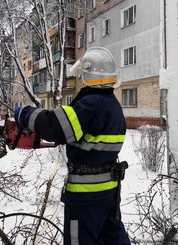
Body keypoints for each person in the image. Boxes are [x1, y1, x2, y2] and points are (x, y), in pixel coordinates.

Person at [14, 47, 131, 245]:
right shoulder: (112, 104)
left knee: (81, 241)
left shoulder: (91, 105)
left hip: (87, 194)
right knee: (112, 238)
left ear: (88, 73)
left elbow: (55, 127)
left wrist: (24, 114)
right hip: (108, 191)